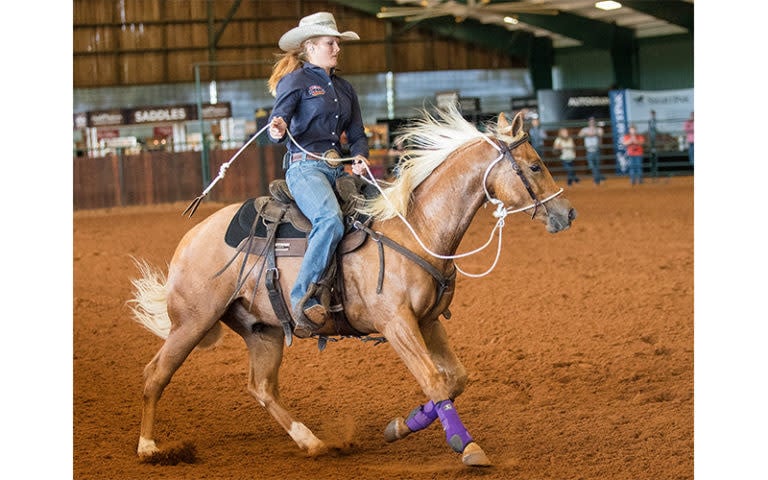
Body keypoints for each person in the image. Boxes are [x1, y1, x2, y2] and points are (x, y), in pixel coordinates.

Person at [266, 11, 370, 338]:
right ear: (310, 47)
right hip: (304, 167)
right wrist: (278, 128)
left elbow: (357, 135)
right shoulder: (295, 81)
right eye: (330, 43)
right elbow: (277, 124)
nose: (337, 48)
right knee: (329, 219)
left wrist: (361, 156)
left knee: (378, 213)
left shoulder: (344, 88)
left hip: (337, 168)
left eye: (338, 43)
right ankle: (303, 298)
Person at [577, 116, 605, 185]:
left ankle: (597, 179)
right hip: (589, 150)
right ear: (588, 122)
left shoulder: (598, 129)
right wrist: (587, 133)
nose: (592, 123)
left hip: (597, 150)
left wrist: (594, 133)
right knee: (592, 166)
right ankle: (598, 178)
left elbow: (601, 133)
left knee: (597, 166)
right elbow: (579, 135)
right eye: (590, 121)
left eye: (593, 121)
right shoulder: (585, 129)